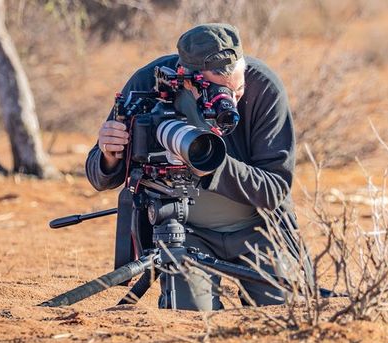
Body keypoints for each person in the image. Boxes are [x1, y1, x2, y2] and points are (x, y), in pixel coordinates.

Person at [85, 23, 298, 311]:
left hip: (259, 230)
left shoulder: (265, 88)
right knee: (190, 316)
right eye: (218, 91)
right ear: (187, 80)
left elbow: (274, 190)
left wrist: (210, 163)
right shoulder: (150, 83)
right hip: (184, 234)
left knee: (286, 311)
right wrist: (109, 155)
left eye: (238, 89)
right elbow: (99, 177)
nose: (230, 101)